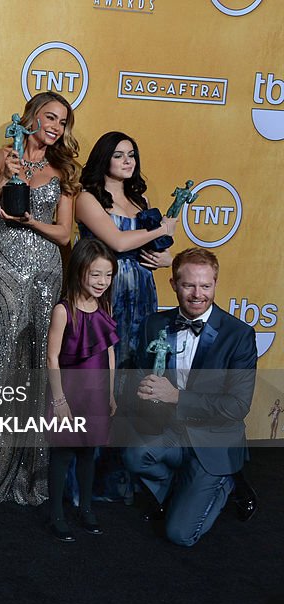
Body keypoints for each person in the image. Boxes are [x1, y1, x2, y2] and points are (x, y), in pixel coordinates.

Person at [0, 92, 78, 506]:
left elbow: (65, 234)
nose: (55, 127)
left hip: (46, 268)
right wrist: (6, 178)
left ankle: (32, 468)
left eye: (62, 122)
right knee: (7, 356)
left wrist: (31, 222)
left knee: (40, 357)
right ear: (30, 117)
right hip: (5, 265)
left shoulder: (62, 170)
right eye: (50, 117)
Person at [123, 248, 257, 547]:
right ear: (173, 284)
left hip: (213, 439)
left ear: (215, 284)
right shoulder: (154, 324)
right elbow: (141, 378)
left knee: (180, 535)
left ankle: (227, 482)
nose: (198, 294)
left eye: (206, 286)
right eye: (188, 285)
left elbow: (237, 407)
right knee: (133, 455)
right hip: (172, 431)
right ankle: (182, 490)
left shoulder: (239, 335)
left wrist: (176, 396)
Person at [76, 132, 179, 502]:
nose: (127, 160)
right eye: (118, 155)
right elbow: (117, 244)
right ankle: (85, 479)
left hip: (143, 298)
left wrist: (167, 256)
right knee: (101, 381)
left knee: (134, 378)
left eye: (132, 155)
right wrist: (159, 229)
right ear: (103, 159)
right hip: (105, 297)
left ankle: (119, 475)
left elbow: (157, 249)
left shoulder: (139, 200)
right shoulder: (86, 199)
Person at [44, 238, 119, 542]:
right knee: (62, 456)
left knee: (89, 455)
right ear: (79, 271)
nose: (103, 282)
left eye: (108, 275)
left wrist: (111, 393)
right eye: (96, 274)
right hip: (69, 395)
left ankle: (86, 509)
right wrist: (59, 400)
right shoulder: (63, 311)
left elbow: (110, 353)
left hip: (97, 395)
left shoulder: (105, 305)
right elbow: (51, 357)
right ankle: (57, 516)